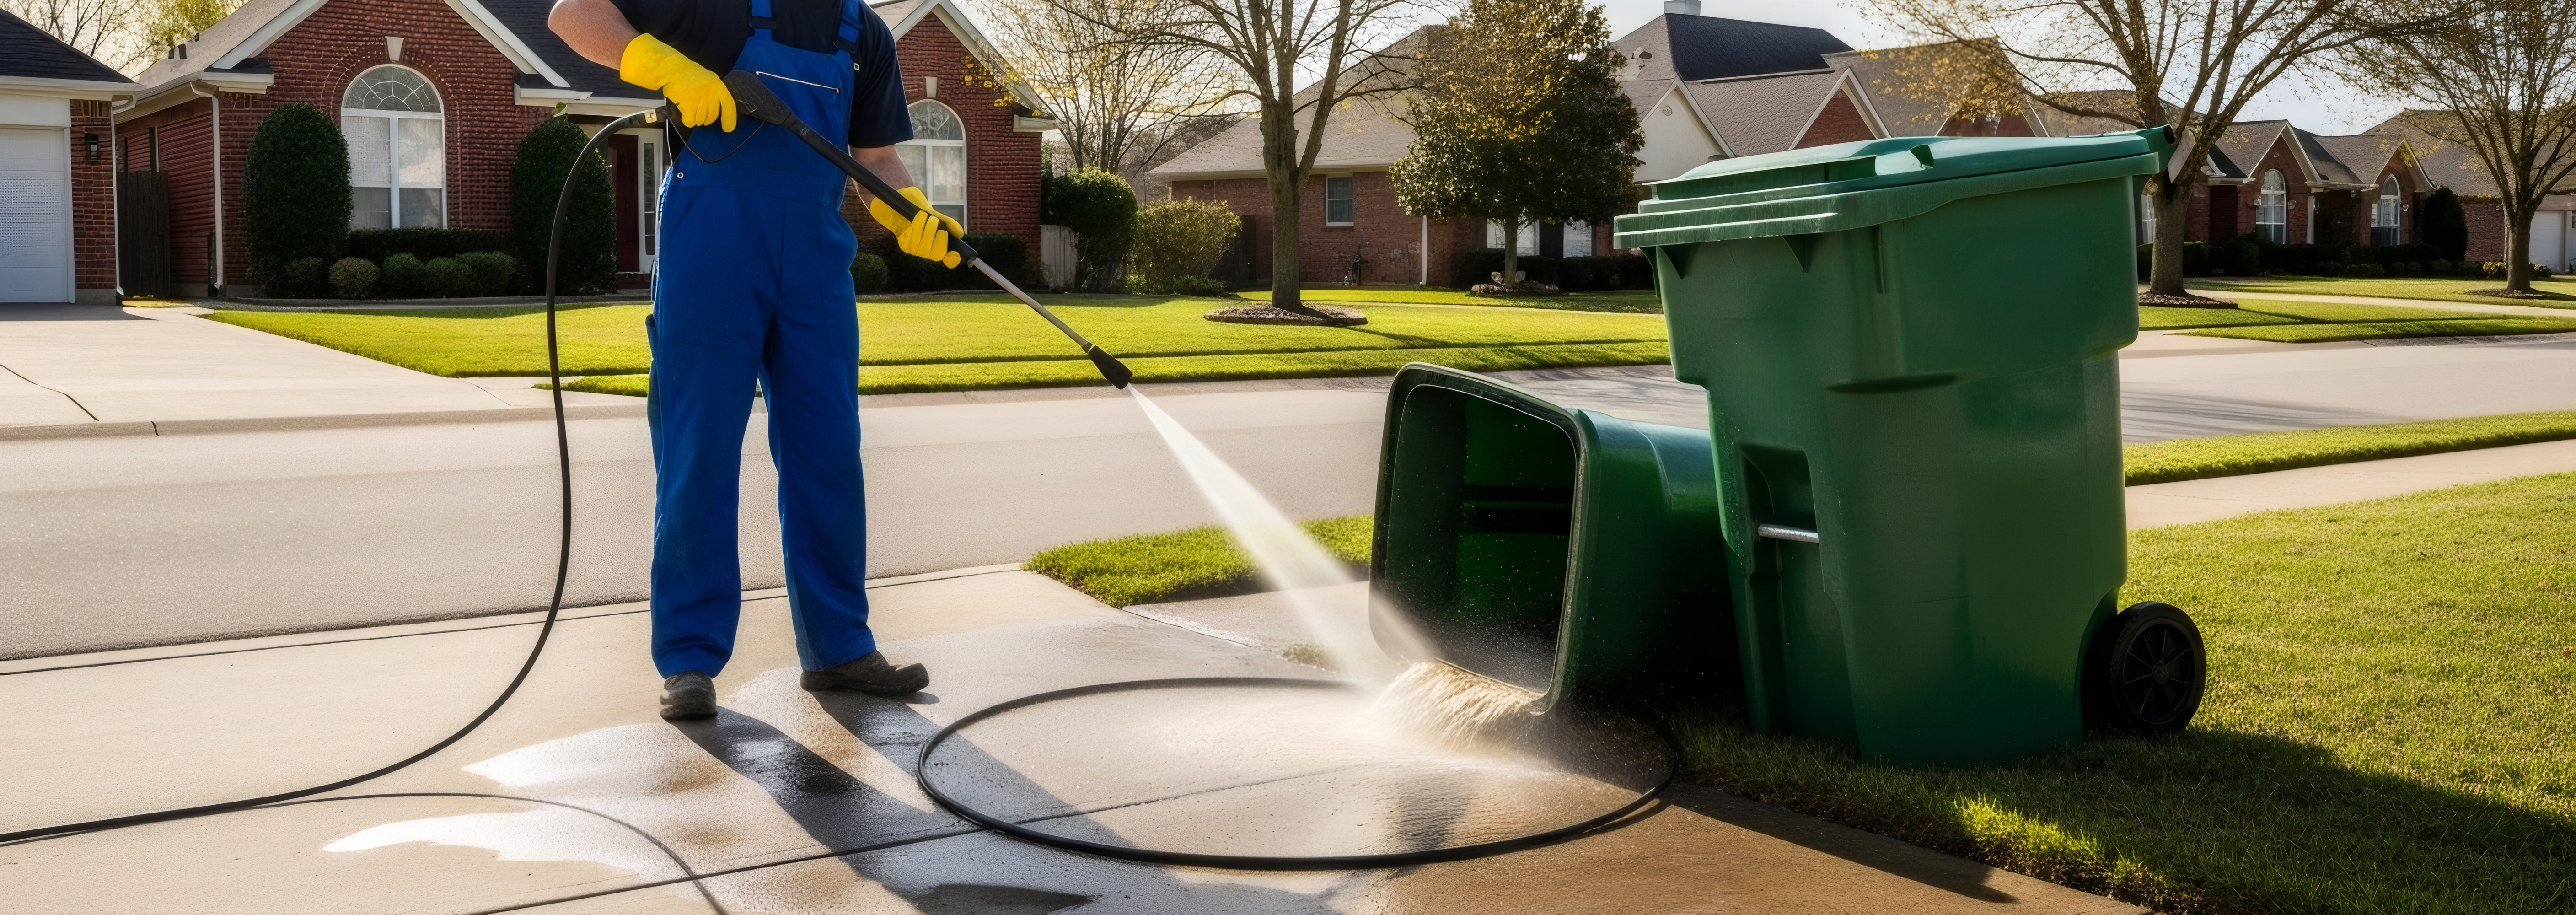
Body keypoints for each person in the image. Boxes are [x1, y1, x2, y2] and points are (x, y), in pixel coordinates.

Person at [550, 0, 957, 719]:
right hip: (712, 243)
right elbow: (571, 14)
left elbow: (874, 160)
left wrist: (909, 211)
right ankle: (689, 658)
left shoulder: (862, 32)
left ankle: (839, 648)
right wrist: (662, 65)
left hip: (816, 262)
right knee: (699, 448)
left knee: (828, 450)